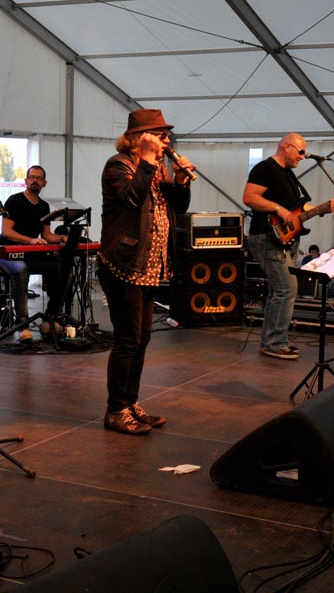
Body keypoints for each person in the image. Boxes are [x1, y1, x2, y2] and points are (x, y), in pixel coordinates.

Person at [98, 108, 193, 435]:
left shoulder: (157, 168)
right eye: (160, 135)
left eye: (167, 135)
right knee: (127, 339)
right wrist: (150, 161)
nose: (167, 140)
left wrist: (180, 180)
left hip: (150, 266)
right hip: (123, 265)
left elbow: (178, 206)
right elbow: (132, 199)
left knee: (142, 339)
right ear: (140, 138)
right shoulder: (118, 165)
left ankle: (130, 403)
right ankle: (115, 411)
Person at [242, 133, 334, 360]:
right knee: (287, 289)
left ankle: (271, 340)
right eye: (300, 151)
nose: (303, 157)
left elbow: (298, 208)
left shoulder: (289, 174)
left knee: (278, 291)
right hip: (268, 237)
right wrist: (277, 209)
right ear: (286, 147)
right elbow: (249, 197)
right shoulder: (265, 169)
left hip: (287, 239)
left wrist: (323, 208)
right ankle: (275, 343)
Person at [0, 165, 67, 340]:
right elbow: (6, 231)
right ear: (26, 180)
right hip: (7, 252)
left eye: (39, 178)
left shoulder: (43, 206)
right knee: (21, 270)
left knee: (61, 269)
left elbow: (46, 235)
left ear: (44, 183)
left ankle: (50, 318)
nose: (35, 180)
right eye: (32, 177)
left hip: (30, 252)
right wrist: (30, 240)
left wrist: (63, 238)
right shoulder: (14, 201)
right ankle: (22, 326)